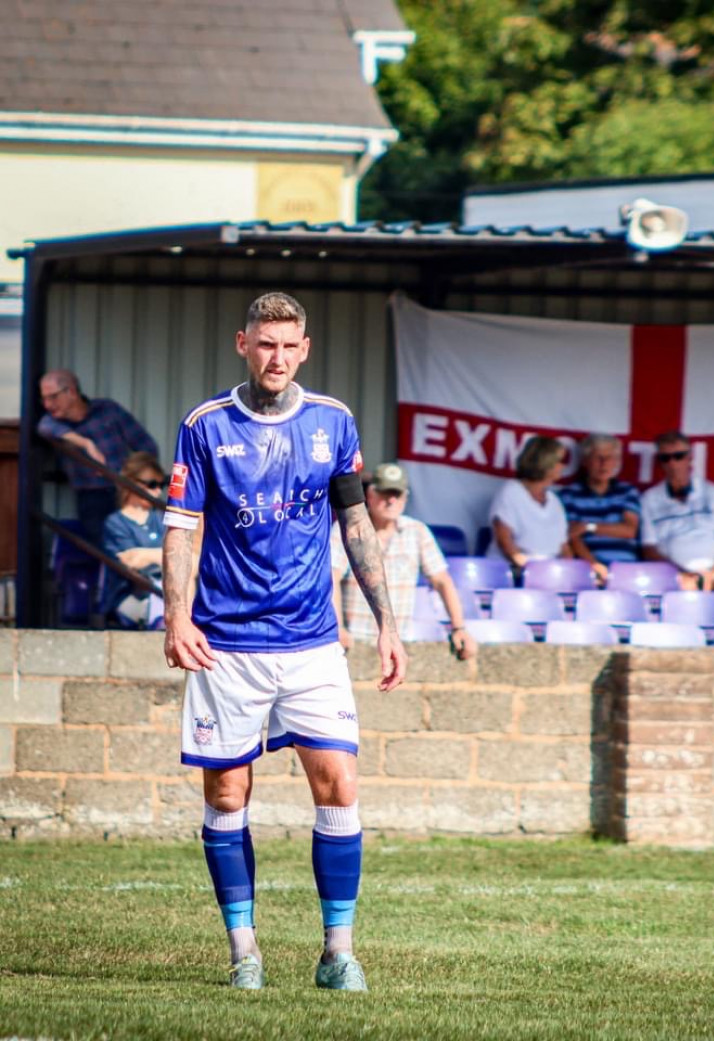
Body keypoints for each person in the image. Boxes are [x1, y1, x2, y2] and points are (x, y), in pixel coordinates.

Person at [161, 292, 406, 993]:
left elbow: (356, 523)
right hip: (226, 643)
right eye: (264, 343)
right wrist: (176, 616)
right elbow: (182, 524)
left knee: (340, 784)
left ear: (305, 349)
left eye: (288, 345)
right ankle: (244, 952)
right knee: (229, 791)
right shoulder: (205, 426)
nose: (276, 356)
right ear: (244, 343)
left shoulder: (333, 421)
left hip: (310, 641)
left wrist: (386, 620)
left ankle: (339, 953)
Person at [331, 461, 477, 659]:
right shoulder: (347, 529)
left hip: (398, 641)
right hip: (354, 642)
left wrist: (459, 627)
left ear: (405, 498)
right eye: (385, 493)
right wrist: (337, 627)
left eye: (396, 494)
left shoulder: (417, 532)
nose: (391, 501)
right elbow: (331, 578)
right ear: (370, 495)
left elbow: (442, 581)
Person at [37, 369, 158, 544]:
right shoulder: (54, 422)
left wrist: (136, 477)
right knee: (111, 547)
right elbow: (44, 428)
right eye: (44, 399)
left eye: (53, 397)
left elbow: (147, 446)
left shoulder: (107, 410)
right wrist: (86, 444)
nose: (47, 404)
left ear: (70, 392)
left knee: (147, 543)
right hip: (92, 497)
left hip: (126, 489)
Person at [639, 431, 714, 620]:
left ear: (690, 458)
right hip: (675, 572)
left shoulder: (712, 492)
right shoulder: (649, 498)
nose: (673, 463)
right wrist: (681, 573)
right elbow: (649, 549)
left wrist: (713, 573)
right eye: (666, 458)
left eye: (678, 456)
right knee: (686, 587)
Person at [559, 433, 641, 585]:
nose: (604, 464)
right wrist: (594, 566)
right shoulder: (569, 494)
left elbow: (629, 530)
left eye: (610, 458)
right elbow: (572, 536)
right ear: (585, 461)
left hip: (627, 571)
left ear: (617, 462)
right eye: (598, 458)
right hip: (587, 572)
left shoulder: (627, 491)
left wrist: (588, 526)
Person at [100, 452, 167, 627]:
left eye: (161, 484)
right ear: (130, 484)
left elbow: (187, 556)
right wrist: (163, 556)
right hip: (130, 593)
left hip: (165, 588)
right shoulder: (115, 522)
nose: (158, 491)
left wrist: (147, 555)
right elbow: (129, 562)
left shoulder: (160, 517)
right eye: (152, 484)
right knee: (164, 614)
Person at [486, 435, 570, 569]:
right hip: (514, 573)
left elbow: (564, 547)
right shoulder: (510, 492)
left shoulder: (554, 501)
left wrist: (568, 571)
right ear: (546, 462)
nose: (563, 466)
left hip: (550, 575)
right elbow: (505, 541)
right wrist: (531, 571)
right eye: (560, 461)